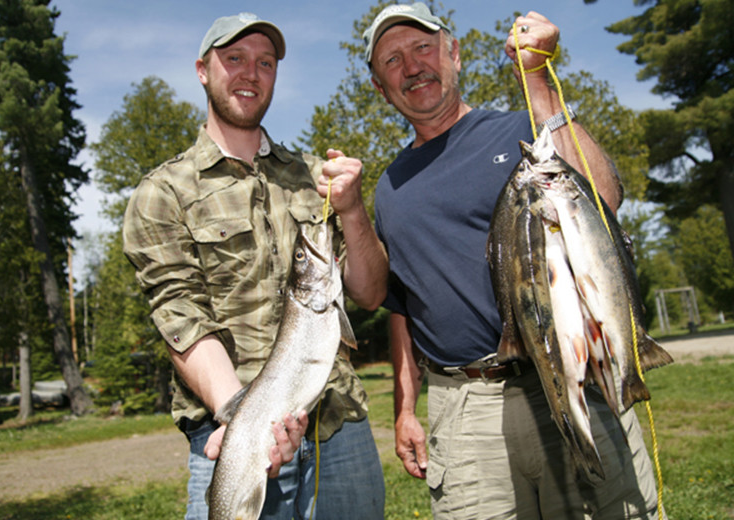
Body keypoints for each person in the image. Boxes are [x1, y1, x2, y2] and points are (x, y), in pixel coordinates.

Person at [363, 3, 661, 519]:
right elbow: (403, 305)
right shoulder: (389, 189)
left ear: (454, 55)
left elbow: (604, 199)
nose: (412, 67)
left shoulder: (526, 131)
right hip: (467, 413)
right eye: (392, 60)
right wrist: (405, 409)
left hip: (574, 381)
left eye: (423, 48)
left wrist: (539, 78)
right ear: (377, 85)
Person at [123, 13, 386, 520]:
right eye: (235, 58)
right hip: (231, 432)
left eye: (265, 62)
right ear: (203, 70)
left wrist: (353, 210)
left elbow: (370, 293)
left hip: (340, 427)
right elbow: (180, 318)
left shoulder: (316, 178)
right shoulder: (162, 194)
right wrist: (246, 418)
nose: (251, 73)